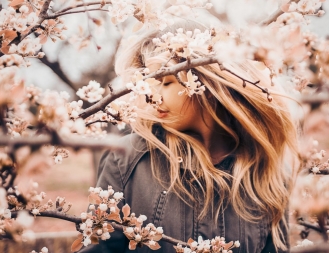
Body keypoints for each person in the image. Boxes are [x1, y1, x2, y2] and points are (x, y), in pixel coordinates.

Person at [79, 21, 298, 253]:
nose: (153, 96)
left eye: (166, 82)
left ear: (206, 81)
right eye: (150, 84)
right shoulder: (125, 160)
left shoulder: (265, 172)